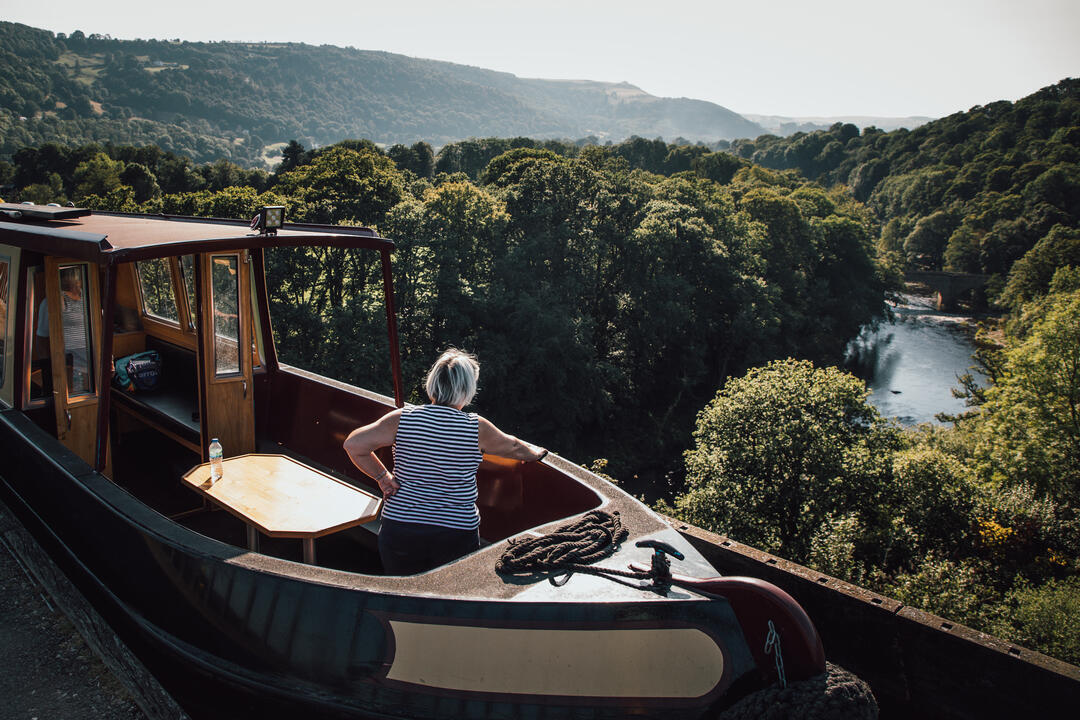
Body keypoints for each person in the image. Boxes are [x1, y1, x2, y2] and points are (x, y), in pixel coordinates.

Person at [344, 348, 547, 575]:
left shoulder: (403, 419)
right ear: (468, 389)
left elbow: (354, 445)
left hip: (401, 530)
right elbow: (514, 447)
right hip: (455, 534)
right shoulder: (475, 427)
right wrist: (537, 452)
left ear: (432, 383)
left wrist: (383, 477)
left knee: (402, 592)